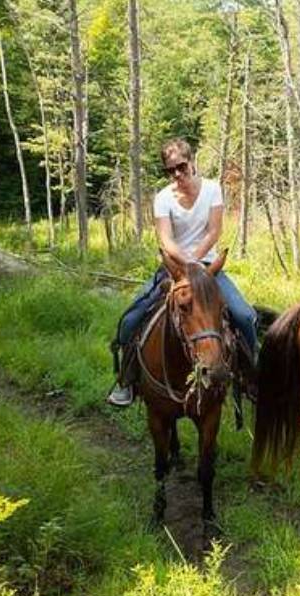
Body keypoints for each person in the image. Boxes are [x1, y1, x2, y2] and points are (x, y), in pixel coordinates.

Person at [107, 138, 259, 407]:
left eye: (181, 166)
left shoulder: (212, 189)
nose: (177, 174)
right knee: (130, 321)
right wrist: (184, 265)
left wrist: (196, 263)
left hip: (208, 270)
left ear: (192, 163)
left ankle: (252, 377)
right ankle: (128, 381)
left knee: (245, 316)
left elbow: (214, 231)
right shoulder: (163, 198)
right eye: (170, 170)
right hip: (173, 269)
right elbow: (166, 239)